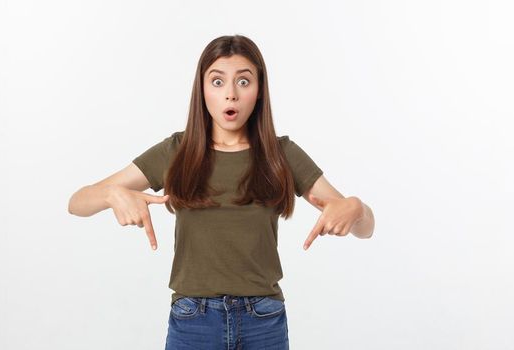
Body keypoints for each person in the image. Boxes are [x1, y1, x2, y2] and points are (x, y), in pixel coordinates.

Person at [66, 34, 376, 349]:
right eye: (217, 82)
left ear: (259, 91)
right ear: (201, 90)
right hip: (193, 321)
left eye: (243, 82)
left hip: (263, 321)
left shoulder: (281, 153)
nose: (230, 94)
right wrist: (110, 194)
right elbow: (76, 203)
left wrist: (356, 207)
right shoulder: (177, 151)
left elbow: (365, 228)